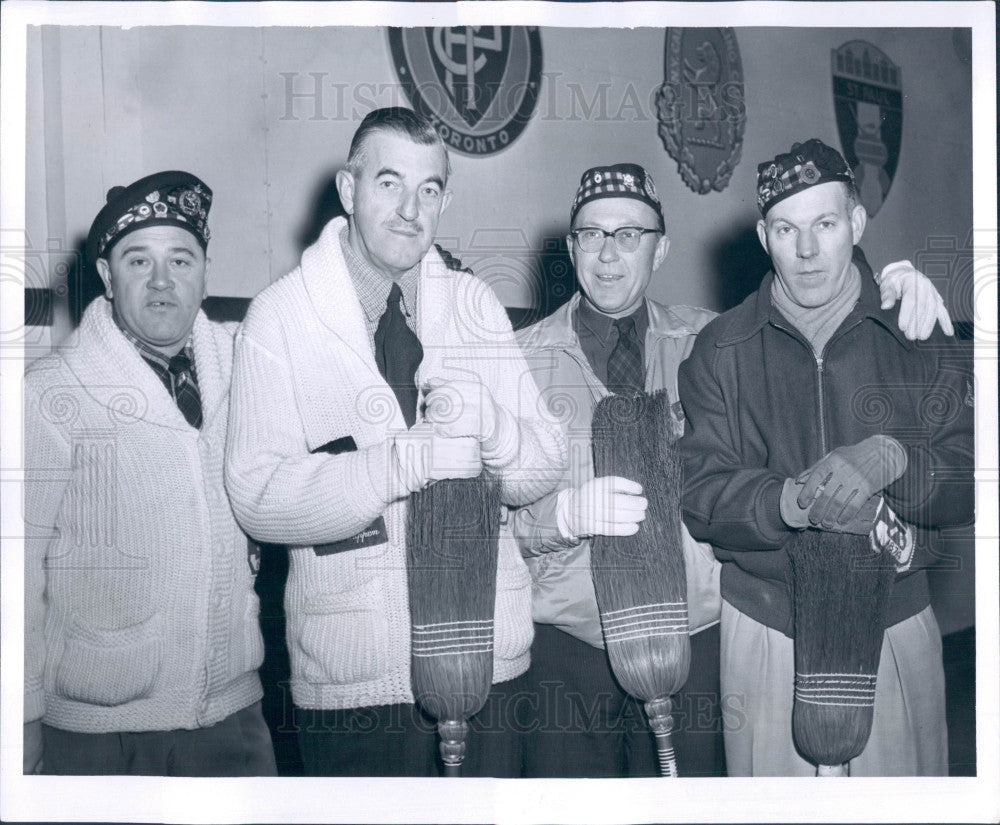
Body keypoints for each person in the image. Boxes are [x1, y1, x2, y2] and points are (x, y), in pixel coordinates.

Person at [512, 163, 954, 778]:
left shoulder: (709, 341)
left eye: (629, 235)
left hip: (699, 640)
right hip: (573, 648)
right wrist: (555, 519)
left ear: (661, 248)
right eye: (591, 235)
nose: (608, 254)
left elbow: (811, 308)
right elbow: (485, 525)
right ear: (571, 247)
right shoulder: (518, 362)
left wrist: (889, 282)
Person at [224, 107, 565, 777]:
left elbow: (544, 465)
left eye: (430, 189)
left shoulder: (475, 304)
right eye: (389, 183)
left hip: (490, 665)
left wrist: (497, 429)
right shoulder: (281, 315)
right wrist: (398, 463)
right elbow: (257, 498)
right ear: (349, 190)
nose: (411, 209)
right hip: (358, 691)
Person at [678, 138, 974, 776]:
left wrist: (895, 457)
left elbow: (970, 481)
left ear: (858, 224)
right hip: (766, 626)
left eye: (826, 225)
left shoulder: (918, 328)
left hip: (894, 620)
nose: (807, 251)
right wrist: (786, 503)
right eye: (787, 229)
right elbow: (701, 493)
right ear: (763, 235)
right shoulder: (719, 348)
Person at [24, 171, 276, 776]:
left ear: (205, 271)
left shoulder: (250, 367)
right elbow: (14, 573)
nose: (163, 282)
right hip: (98, 733)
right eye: (139, 260)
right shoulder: (50, 393)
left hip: (235, 718)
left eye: (181, 259)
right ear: (109, 277)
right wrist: (22, 718)